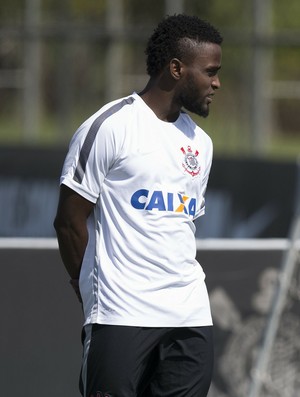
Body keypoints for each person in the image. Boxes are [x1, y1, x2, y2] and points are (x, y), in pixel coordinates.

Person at [54, 13, 222, 397]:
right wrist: (93, 288)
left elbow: (179, 228)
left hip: (190, 316)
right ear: (176, 69)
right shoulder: (110, 127)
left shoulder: (201, 144)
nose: (217, 82)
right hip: (121, 314)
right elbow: (68, 222)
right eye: (210, 71)